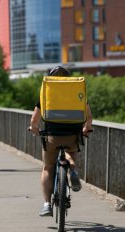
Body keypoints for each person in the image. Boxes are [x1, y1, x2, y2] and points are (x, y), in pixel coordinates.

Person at [28, 66, 93, 217]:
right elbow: (88, 117)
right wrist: (86, 128)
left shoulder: (47, 92)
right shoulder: (76, 91)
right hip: (72, 134)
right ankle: (73, 171)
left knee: (47, 167)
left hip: (52, 135)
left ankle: (47, 205)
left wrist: (34, 129)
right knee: (70, 153)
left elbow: (34, 120)